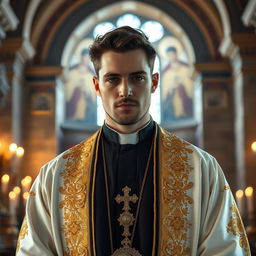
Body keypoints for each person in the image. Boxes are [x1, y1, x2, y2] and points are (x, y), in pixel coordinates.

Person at [16, 26, 251, 256]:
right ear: (97, 86)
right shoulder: (56, 175)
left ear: (154, 82)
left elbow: (226, 249)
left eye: (137, 78)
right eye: (113, 79)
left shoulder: (200, 169)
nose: (125, 90)